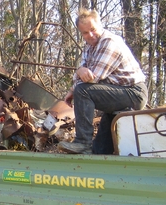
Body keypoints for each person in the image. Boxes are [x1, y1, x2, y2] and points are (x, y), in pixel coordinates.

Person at [58, 8, 148, 155]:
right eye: (85, 33)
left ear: (100, 25)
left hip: (134, 93)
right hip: (118, 93)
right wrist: (74, 83)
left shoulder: (109, 42)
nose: (90, 35)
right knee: (99, 150)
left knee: (83, 91)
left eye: (93, 29)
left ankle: (82, 142)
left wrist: (79, 75)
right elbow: (83, 74)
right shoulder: (89, 46)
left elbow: (92, 78)